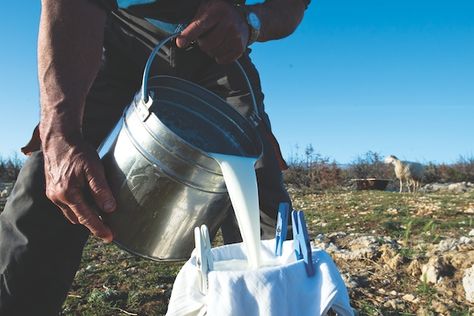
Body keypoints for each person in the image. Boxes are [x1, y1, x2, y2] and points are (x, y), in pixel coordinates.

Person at [0, 0, 309, 314]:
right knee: (47, 197)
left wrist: (250, 21)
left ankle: (274, 301)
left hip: (220, 46)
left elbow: (291, 5)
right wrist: (60, 136)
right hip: (120, 35)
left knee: (266, 211)